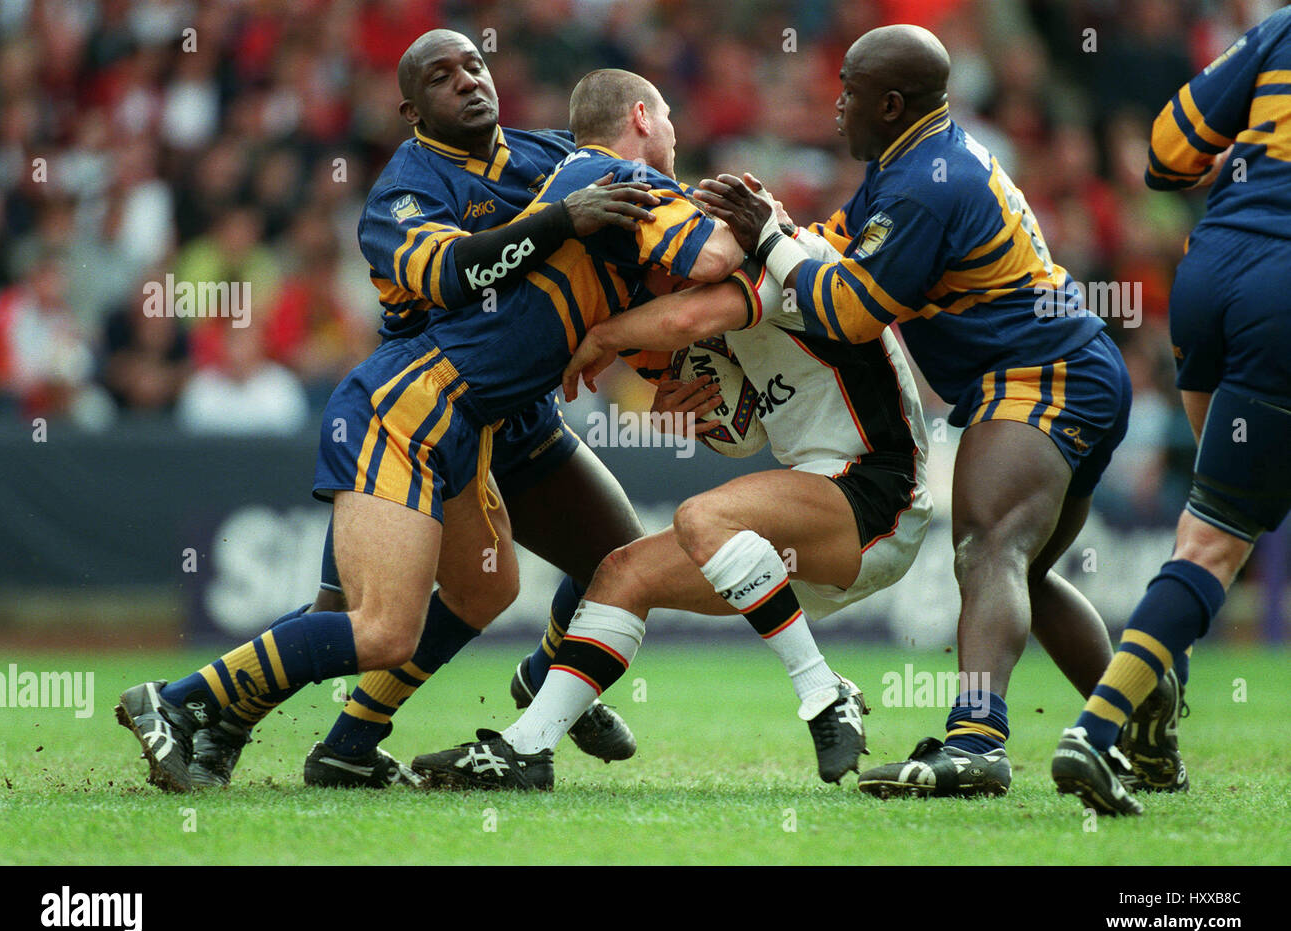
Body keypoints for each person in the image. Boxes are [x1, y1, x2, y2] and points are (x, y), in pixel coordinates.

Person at [115, 60, 740, 794]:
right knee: (360, 618)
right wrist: (770, 241)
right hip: (422, 399)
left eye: (476, 64)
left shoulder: (551, 156)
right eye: (444, 77)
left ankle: (485, 702)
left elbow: (611, 284)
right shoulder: (406, 192)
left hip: (503, 412)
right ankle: (195, 708)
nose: (471, 81)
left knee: (531, 579)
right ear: (413, 109)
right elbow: (450, 276)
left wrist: (664, 366)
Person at [695, 24, 1135, 798]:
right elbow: (839, 249)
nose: (836, 109)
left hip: (1041, 374)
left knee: (986, 549)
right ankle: (1138, 724)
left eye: (850, 93)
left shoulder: (927, 181)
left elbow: (850, 310)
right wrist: (775, 235)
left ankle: (976, 744)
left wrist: (766, 237)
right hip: (1072, 368)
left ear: (891, 104)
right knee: (1020, 568)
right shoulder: (914, 157)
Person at [412, 219, 932, 790]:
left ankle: (822, 690)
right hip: (818, 508)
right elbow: (753, 432)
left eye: (659, 260)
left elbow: (684, 319)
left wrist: (603, 338)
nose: (656, 279)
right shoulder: (725, 308)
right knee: (620, 573)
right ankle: (526, 748)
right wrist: (697, 419)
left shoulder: (781, 259)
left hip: (880, 491)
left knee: (701, 518)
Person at [1051, 7, 1291, 816]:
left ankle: (1154, 737)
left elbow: (1164, 152)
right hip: (1281, 296)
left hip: (1210, 271)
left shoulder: (1281, 27)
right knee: (1217, 542)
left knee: (1206, 528)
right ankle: (1097, 731)